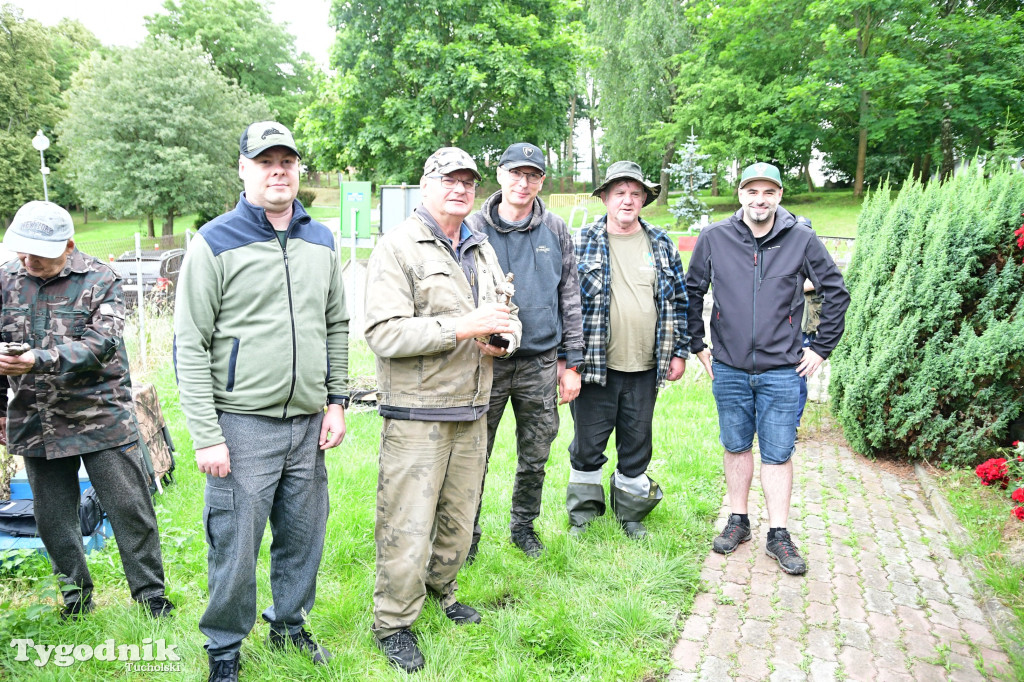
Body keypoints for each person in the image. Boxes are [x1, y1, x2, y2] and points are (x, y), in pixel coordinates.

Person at [174, 121, 349, 681]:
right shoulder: (214, 241)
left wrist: (337, 399)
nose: (278, 170)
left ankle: (289, 625)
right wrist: (206, 432)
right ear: (244, 169)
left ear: (299, 169)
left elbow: (337, 324)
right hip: (242, 425)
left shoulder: (320, 240)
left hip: (306, 423)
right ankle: (224, 647)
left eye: (288, 161)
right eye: (265, 160)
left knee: (303, 535)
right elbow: (190, 342)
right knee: (235, 543)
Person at [364, 147, 522, 673]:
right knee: (407, 524)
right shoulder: (399, 247)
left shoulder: (479, 247)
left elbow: (503, 311)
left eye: (468, 182)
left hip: (473, 408)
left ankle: (443, 591)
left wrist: (503, 339)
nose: (460, 189)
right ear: (425, 185)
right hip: (418, 414)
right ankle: (393, 622)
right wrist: (464, 327)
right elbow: (384, 333)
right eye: (449, 180)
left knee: (458, 519)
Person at [0, 201, 174, 620]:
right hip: (36, 418)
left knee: (130, 508)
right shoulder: (5, 280)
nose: (28, 261)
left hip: (101, 417)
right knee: (53, 518)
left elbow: (103, 344)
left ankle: (151, 598)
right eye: (22, 251)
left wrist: (37, 359)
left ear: (69, 246)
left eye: (38, 254)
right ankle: (75, 600)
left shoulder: (101, 278)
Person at [685, 162, 850, 575]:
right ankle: (738, 521)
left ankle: (778, 533)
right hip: (729, 367)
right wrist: (698, 346)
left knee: (777, 453)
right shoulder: (714, 237)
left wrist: (821, 349)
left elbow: (836, 292)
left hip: (783, 370)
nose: (760, 200)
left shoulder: (802, 239)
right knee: (736, 445)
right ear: (740, 194)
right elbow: (690, 293)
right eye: (752, 192)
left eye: (768, 192)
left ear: (779, 195)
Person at [464, 142, 584, 561]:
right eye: (516, 173)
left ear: (541, 181)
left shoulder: (556, 228)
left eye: (532, 175)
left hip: (540, 361)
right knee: (474, 455)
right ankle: (467, 536)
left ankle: (523, 527)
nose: (523, 182)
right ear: (499, 174)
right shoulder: (472, 225)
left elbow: (569, 295)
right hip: (486, 363)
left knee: (536, 453)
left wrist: (572, 363)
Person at [567, 161, 689, 539]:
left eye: (636, 193)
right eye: (619, 192)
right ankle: (584, 517)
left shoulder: (661, 241)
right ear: (604, 197)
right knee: (587, 445)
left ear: (644, 200)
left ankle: (631, 514)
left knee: (637, 443)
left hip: (646, 366)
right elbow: (566, 303)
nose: (628, 200)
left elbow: (680, 301)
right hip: (595, 367)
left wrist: (679, 351)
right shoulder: (580, 240)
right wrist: (567, 361)